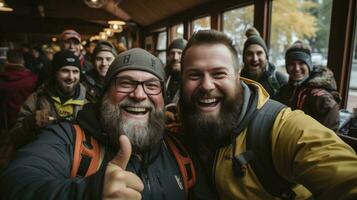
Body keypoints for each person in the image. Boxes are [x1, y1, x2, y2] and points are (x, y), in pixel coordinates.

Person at [0, 48, 201, 199]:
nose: (139, 95)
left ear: (163, 100)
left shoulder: (179, 151)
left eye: (151, 86)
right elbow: (15, 182)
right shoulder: (68, 139)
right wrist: (87, 192)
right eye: (125, 83)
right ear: (105, 94)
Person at [179, 30, 357, 199]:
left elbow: (340, 171)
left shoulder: (278, 127)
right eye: (194, 75)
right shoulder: (183, 118)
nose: (207, 85)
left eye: (219, 74)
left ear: (237, 75)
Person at [9, 50, 88, 149]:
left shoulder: (88, 101)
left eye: (75, 72)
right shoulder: (37, 98)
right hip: (44, 154)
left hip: (76, 158)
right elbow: (14, 137)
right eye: (65, 71)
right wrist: (29, 123)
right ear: (55, 73)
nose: (71, 77)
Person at [278, 40, 341, 131]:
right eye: (291, 64)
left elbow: (329, 137)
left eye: (301, 63)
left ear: (309, 65)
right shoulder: (285, 90)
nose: (296, 68)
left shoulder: (322, 98)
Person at [241, 27, 287, 100]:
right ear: (244, 58)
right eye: (250, 54)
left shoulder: (279, 81)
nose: (255, 59)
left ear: (266, 57)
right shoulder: (238, 82)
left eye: (259, 53)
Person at [0, 49, 37, 130]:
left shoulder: (2, 80)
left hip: (6, 124)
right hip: (27, 122)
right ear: (22, 61)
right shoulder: (33, 79)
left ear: (7, 60)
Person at [165, 38, 187, 104]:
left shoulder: (193, 80)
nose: (175, 57)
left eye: (180, 53)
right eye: (172, 53)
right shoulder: (163, 76)